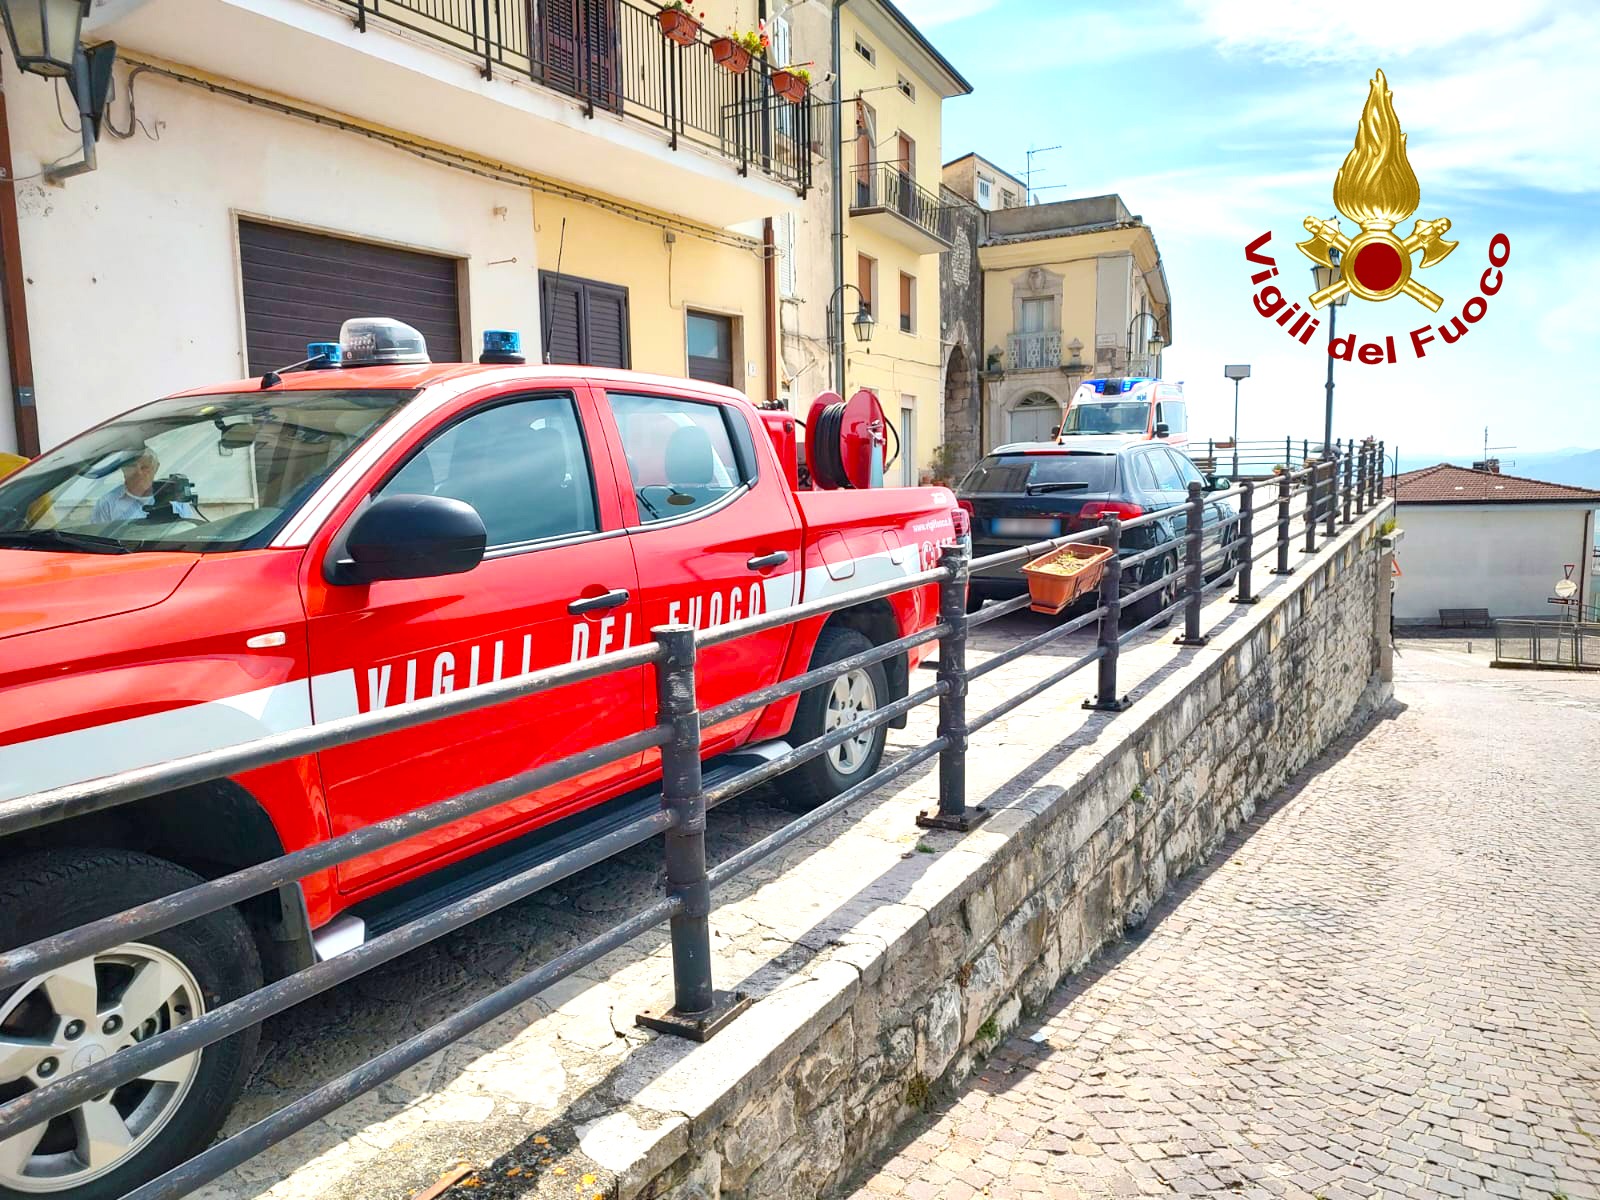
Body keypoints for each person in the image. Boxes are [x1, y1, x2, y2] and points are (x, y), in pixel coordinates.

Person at [91, 448, 198, 524]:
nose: (139, 473)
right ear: (123, 469)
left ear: (156, 468)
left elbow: (188, 532)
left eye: (144, 467)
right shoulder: (107, 503)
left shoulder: (175, 498)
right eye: (132, 466)